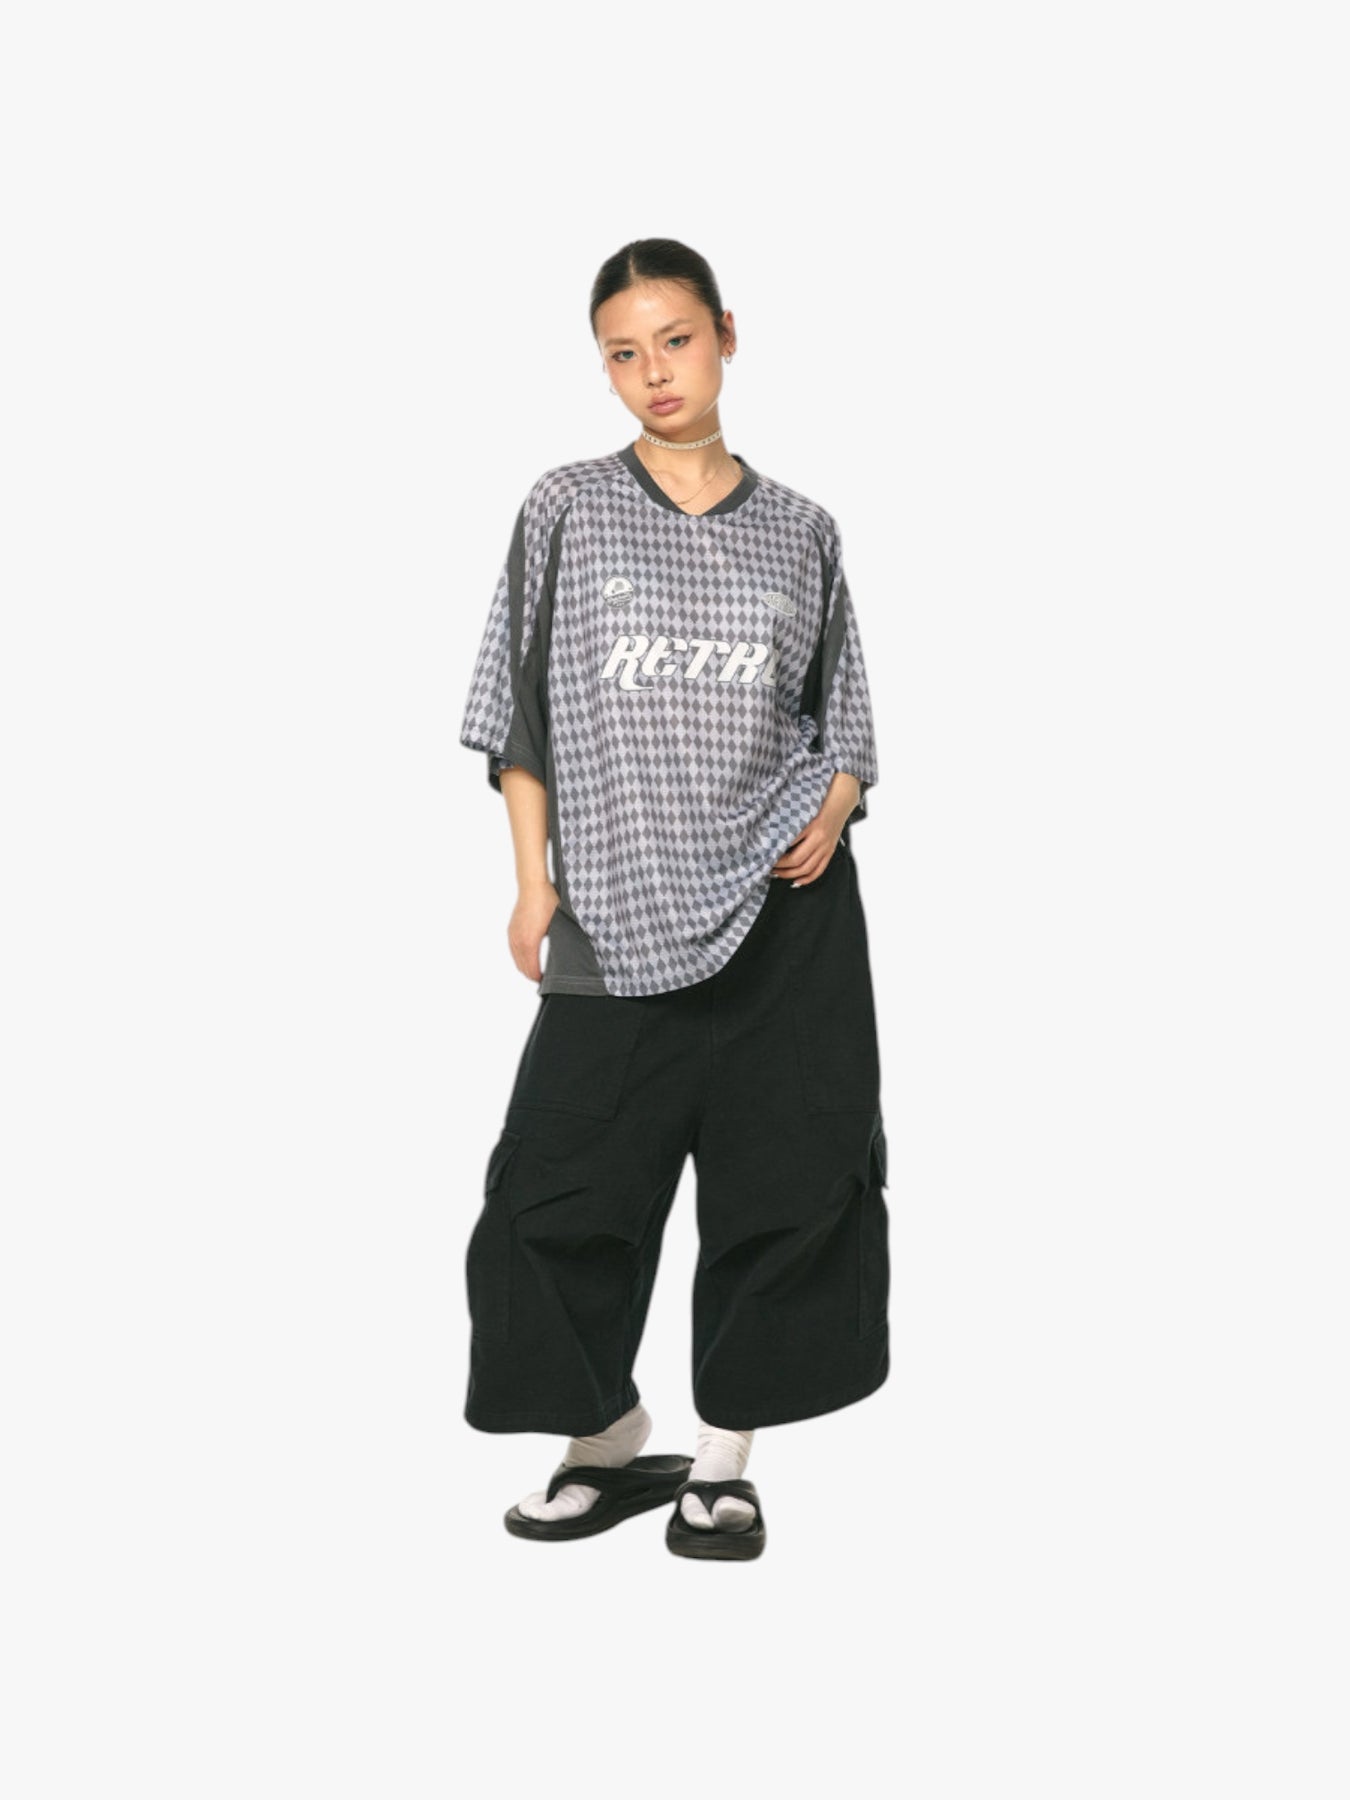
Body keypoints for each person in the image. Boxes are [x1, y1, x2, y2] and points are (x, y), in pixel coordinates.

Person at [457, 238, 890, 1560]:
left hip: (787, 913)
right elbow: (517, 710)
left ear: (726, 337)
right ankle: (606, 1433)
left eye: (676, 340)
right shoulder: (568, 507)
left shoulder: (801, 529)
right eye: (623, 352)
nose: (653, 371)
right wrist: (531, 879)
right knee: (552, 1192)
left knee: (786, 1180)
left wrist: (830, 807)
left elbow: (843, 725)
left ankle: (725, 1458)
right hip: (612, 904)